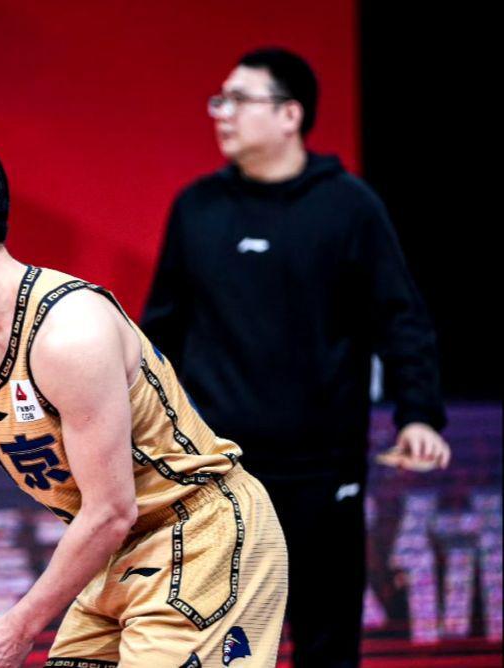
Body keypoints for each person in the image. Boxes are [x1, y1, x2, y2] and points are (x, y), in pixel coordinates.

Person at [0, 130, 288, 668]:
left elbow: (111, 509)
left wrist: (19, 624)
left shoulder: (67, 333)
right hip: (112, 552)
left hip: (199, 534)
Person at [141, 47, 451, 667]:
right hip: (215, 470)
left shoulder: (350, 207)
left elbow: (400, 319)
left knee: (326, 639)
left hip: (322, 468)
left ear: (290, 115)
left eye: (239, 99)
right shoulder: (196, 207)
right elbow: (159, 333)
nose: (222, 113)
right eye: (219, 100)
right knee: (211, 642)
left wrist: (418, 414)